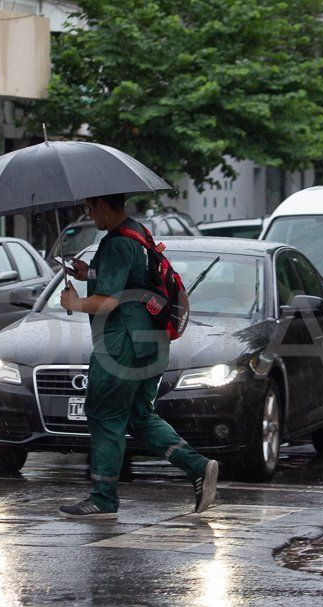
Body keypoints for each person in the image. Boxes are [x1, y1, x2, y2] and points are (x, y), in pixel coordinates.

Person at [58, 193, 219, 519]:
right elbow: (130, 279)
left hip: (122, 346)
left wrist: (74, 303)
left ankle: (103, 499)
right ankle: (199, 467)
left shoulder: (117, 243)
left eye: (91, 209)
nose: (91, 216)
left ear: (104, 204)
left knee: (104, 415)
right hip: (152, 344)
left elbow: (108, 301)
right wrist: (87, 273)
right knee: (139, 417)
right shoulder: (139, 234)